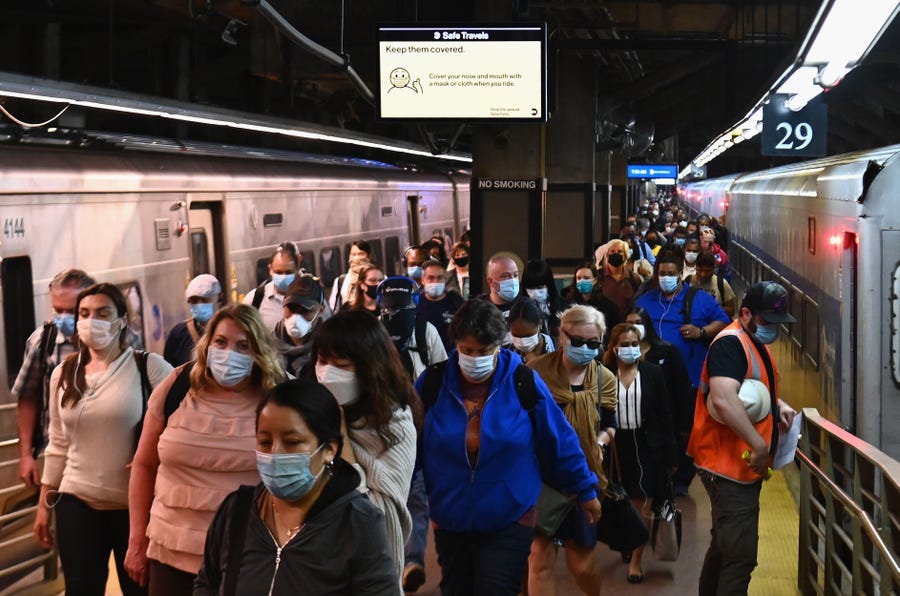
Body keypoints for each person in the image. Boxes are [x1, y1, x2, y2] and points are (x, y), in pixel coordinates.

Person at [417, 299, 602, 595]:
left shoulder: (522, 381)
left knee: (496, 588)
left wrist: (585, 489)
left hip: (511, 514)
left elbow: (559, 438)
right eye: (467, 350)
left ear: (498, 346)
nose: (475, 358)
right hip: (450, 515)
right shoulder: (433, 384)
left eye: (484, 351)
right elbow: (410, 445)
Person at [125, 304, 286, 595]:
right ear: (207, 343)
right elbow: (144, 464)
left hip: (247, 557)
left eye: (243, 346)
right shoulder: (177, 386)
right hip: (169, 552)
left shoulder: (280, 396)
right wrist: (136, 540)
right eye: (221, 342)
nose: (229, 354)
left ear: (258, 351)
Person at [194, 379, 399, 595]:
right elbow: (208, 584)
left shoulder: (358, 522)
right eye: (265, 442)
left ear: (329, 449)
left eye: (292, 442)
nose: (275, 454)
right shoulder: (237, 511)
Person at [35, 283, 173, 595]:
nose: (90, 321)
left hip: (135, 510)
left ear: (122, 320)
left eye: (102, 313)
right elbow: (57, 443)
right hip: (76, 501)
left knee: (140, 590)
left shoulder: (148, 367)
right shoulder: (63, 373)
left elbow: (181, 427)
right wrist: (44, 505)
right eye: (84, 313)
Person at [688, 282, 798, 595]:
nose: (774, 329)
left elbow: (750, 385)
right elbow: (723, 399)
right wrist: (760, 446)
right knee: (740, 557)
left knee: (725, 546)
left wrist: (778, 405)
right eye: (767, 321)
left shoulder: (751, 341)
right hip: (728, 468)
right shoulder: (730, 344)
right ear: (746, 313)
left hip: (734, 466)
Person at [313, 310, 419, 580]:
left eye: (341, 364)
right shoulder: (308, 414)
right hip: (314, 560)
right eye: (323, 361)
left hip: (366, 566)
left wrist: (342, 439)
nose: (327, 373)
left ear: (369, 366)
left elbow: (378, 512)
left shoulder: (394, 426)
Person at [527, 305, 617, 596]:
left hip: (584, 478)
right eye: (578, 341)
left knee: (583, 567)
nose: (585, 349)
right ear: (562, 336)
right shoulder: (535, 373)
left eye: (593, 344)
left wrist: (601, 442)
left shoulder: (604, 380)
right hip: (541, 478)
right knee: (539, 561)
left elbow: (610, 424)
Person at [602, 323, 677, 584]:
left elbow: (666, 415)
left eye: (635, 344)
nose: (631, 349)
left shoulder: (652, 374)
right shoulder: (603, 374)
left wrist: (671, 456)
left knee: (641, 502)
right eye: (625, 344)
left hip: (648, 445)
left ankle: (636, 561)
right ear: (614, 348)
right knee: (619, 499)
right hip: (615, 446)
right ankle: (627, 538)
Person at [14, 268, 96, 487]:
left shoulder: (120, 339)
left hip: (106, 456)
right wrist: (26, 455)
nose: (62, 318)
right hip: (60, 455)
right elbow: (27, 397)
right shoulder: (43, 342)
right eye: (57, 310)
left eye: (70, 311)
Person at [623, 306, 695, 493]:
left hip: (665, 422)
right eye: (629, 323)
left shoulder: (667, 352)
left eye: (638, 323)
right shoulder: (620, 356)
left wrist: (686, 425)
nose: (634, 327)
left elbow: (683, 389)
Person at [273, 274, 328, 376]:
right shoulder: (267, 345)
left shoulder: (329, 347)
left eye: (305, 312)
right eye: (291, 309)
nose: (296, 318)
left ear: (321, 310)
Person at [242, 242, 304, 331]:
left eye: (288, 272)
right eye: (278, 272)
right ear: (270, 269)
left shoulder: (313, 296)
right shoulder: (254, 299)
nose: (283, 277)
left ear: (297, 269)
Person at [163, 274, 222, 367]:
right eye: (194, 301)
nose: (199, 304)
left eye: (204, 299)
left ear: (219, 298)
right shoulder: (179, 334)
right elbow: (168, 370)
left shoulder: (230, 331)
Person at [561, 261, 622, 340]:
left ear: (595, 280)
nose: (582, 281)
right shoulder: (567, 305)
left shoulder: (609, 306)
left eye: (586, 278)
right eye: (579, 278)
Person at [417, 259, 465, 352]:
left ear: (445, 279)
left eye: (439, 278)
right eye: (430, 278)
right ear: (423, 280)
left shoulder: (457, 303)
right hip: (424, 358)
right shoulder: (415, 303)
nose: (435, 282)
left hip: (450, 358)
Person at [521, 259, 568, 339]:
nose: (535, 292)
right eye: (530, 288)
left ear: (549, 285)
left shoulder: (565, 307)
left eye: (540, 287)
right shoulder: (520, 309)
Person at [594, 240, 642, 317]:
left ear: (625, 255)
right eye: (612, 251)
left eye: (619, 251)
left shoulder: (634, 278)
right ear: (607, 255)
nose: (616, 253)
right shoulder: (598, 276)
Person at [329, 239, 372, 314]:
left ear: (368, 256)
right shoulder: (340, 281)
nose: (356, 258)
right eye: (353, 254)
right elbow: (333, 311)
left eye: (361, 254)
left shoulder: (379, 279)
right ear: (349, 256)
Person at [508, 298, 554, 366]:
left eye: (528, 335)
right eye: (516, 335)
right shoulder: (508, 354)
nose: (522, 342)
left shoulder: (548, 344)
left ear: (540, 324)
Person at [688, 251, 736, 318]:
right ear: (695, 267)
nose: (703, 275)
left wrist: (713, 308)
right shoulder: (688, 281)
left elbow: (731, 311)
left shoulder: (721, 283)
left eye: (707, 271)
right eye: (700, 270)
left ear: (713, 269)